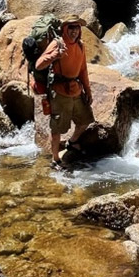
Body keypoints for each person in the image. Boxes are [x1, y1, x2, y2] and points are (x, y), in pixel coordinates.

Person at [34, 14, 94, 169]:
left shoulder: (80, 45)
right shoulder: (57, 43)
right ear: (65, 28)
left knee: (86, 120)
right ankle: (55, 159)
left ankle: (73, 142)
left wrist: (87, 90)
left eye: (77, 27)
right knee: (57, 128)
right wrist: (54, 55)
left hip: (76, 90)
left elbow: (83, 69)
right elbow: (39, 65)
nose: (74, 31)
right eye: (71, 27)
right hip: (59, 93)